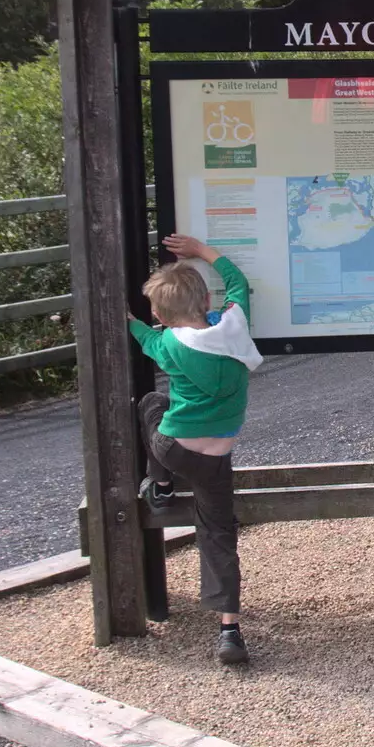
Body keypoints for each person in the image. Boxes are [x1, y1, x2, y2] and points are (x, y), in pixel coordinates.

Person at [129, 233, 263, 665]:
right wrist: (202, 251)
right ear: (206, 298)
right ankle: (229, 630)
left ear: (160, 315)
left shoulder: (167, 344)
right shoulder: (235, 325)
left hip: (174, 448)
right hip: (215, 459)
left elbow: (143, 338)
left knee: (153, 405)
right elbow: (238, 281)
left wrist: (127, 318)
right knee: (217, 535)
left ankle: (161, 484)